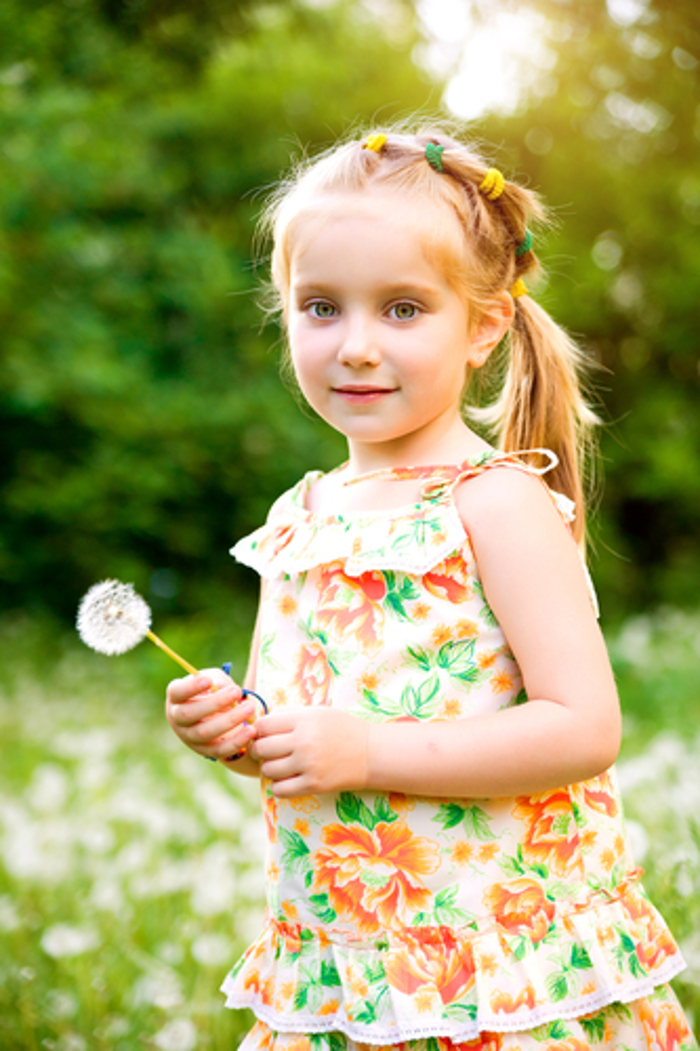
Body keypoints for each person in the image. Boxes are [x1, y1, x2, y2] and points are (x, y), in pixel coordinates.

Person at [165, 128, 696, 1051]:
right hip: (346, 974)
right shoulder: (299, 516)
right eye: (321, 307)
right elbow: (294, 736)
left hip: (496, 970)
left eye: (403, 309)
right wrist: (232, 729)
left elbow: (584, 726)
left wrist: (367, 750)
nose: (357, 345)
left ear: (483, 324)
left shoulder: (496, 503)